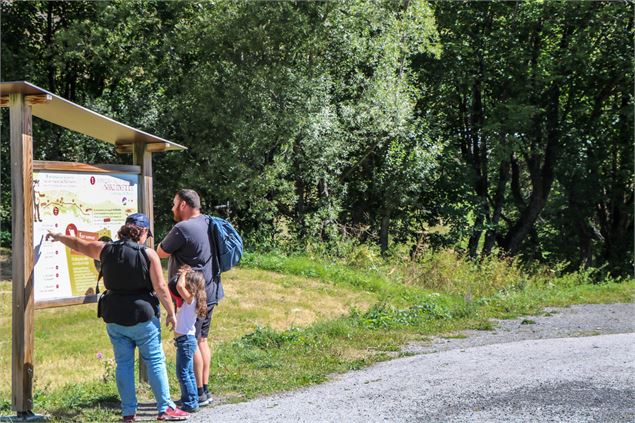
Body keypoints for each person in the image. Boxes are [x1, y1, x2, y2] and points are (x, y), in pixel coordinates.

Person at [47, 213, 189, 422]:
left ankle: (128, 412)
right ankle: (165, 409)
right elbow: (160, 287)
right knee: (155, 361)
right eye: (145, 234)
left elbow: (78, 244)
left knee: (123, 364)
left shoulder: (105, 249)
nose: (145, 238)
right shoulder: (149, 254)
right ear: (141, 232)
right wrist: (171, 312)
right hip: (143, 316)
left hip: (114, 316)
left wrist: (59, 236)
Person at [157, 189, 223, 406]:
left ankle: (196, 393)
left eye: (175, 203)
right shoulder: (207, 221)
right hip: (210, 290)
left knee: (192, 340)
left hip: (191, 294)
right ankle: (204, 390)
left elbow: (161, 251)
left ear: (184, 205)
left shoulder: (182, 228)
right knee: (202, 340)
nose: (172, 208)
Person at [172, 265, 207, 413]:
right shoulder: (192, 300)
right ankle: (192, 399)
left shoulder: (190, 299)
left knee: (183, 372)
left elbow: (179, 286)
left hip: (186, 340)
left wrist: (184, 273)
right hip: (186, 340)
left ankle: (190, 402)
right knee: (188, 372)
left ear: (190, 286)